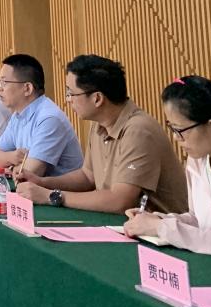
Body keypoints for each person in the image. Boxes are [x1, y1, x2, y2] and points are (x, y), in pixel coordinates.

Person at [16, 55, 187, 213]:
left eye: (71, 93)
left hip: (160, 231)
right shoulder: (100, 124)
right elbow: (87, 176)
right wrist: (42, 183)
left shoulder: (138, 130)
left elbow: (120, 201)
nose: (68, 100)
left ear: (97, 98)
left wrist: (51, 196)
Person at [123, 73, 211, 262]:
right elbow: (199, 221)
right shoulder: (198, 161)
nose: (176, 138)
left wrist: (162, 228)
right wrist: (157, 220)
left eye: (180, 130)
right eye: (172, 128)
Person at [0, 53, 83, 178]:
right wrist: (13, 157)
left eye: (4, 82)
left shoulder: (49, 119)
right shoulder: (18, 115)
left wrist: (9, 165)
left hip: (57, 189)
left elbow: (29, 173)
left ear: (27, 88)